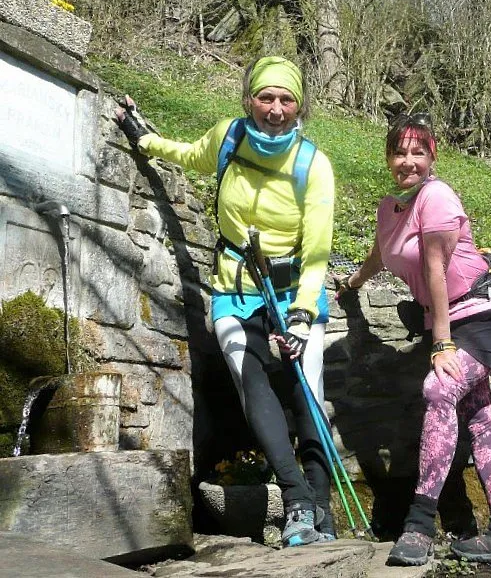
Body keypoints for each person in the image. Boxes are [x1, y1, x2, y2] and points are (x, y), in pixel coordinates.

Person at [114, 56, 336, 547]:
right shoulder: (229, 138)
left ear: (300, 105)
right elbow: (187, 153)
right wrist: (141, 136)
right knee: (249, 380)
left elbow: (318, 250)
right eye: (266, 97)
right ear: (249, 99)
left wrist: (301, 315)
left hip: (295, 290)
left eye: (286, 99)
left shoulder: (312, 164)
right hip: (235, 287)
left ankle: (321, 505)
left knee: (307, 390)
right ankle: (297, 500)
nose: (275, 109)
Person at [336, 112, 491, 565]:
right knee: (480, 420)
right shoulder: (390, 208)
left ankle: (419, 525)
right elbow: (381, 255)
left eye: (418, 152)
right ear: (388, 158)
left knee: (439, 389)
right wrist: (353, 284)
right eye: (399, 152)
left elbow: (435, 270)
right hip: (447, 322)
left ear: (432, 157)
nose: (409, 161)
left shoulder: (437, 197)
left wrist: (441, 344)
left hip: (481, 316)